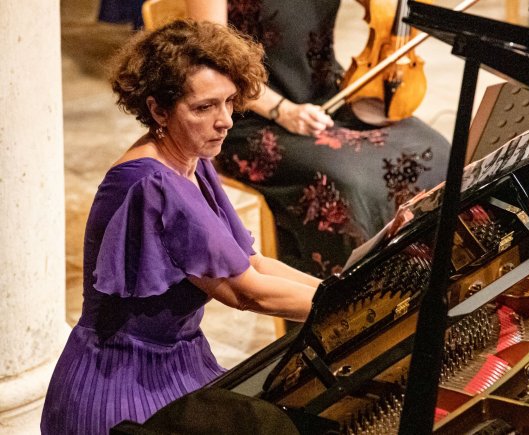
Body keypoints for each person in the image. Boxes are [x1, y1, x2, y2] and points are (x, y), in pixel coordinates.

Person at [41, 20, 320, 434]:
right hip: (120, 385)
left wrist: (339, 289)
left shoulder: (193, 161)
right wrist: (341, 305)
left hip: (177, 363)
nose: (225, 121)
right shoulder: (154, 185)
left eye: (229, 102)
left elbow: (252, 263)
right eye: (204, 107)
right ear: (158, 110)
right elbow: (248, 293)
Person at [186, 0, 452, 277]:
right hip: (249, 115)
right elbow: (211, 58)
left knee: (436, 152)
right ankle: (356, 295)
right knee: (348, 184)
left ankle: (429, 280)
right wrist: (282, 110)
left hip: (329, 94)